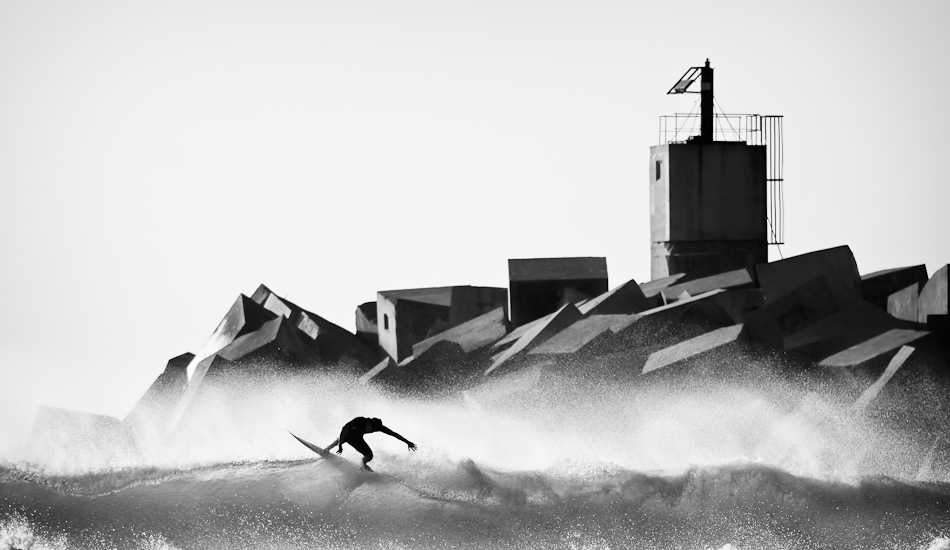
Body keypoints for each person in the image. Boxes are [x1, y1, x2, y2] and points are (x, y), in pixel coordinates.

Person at [328, 417, 416, 471]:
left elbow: (394, 434)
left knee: (369, 456)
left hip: (357, 439)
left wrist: (407, 442)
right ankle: (327, 449)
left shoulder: (377, 427)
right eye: (370, 427)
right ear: (369, 423)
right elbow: (345, 429)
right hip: (348, 434)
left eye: (372, 429)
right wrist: (340, 446)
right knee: (343, 438)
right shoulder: (360, 421)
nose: (371, 430)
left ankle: (363, 465)